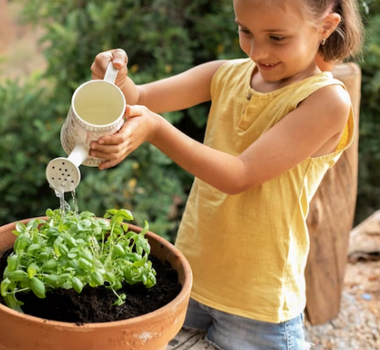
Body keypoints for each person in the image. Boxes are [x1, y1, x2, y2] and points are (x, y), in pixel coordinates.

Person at [89, 0, 364, 349]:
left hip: (258, 305)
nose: (257, 51)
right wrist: (116, 78)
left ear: (325, 27)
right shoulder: (225, 74)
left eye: (277, 37)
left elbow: (240, 175)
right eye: (245, 30)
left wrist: (156, 131)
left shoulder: (326, 102)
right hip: (192, 278)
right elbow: (141, 97)